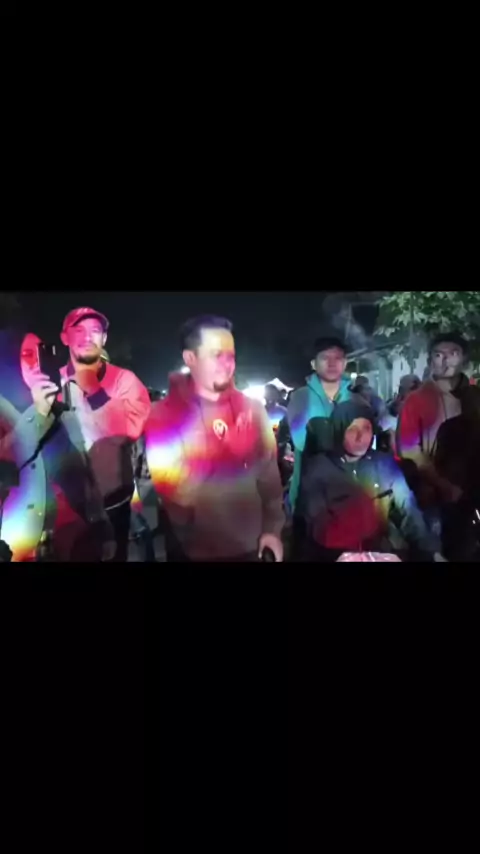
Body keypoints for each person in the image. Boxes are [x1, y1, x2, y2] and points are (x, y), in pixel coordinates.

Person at [145, 315, 284, 562]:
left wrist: (272, 529)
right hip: (192, 550)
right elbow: (174, 495)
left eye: (231, 355)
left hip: (251, 547)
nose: (226, 364)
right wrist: (222, 453)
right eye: (216, 355)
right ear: (191, 358)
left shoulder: (252, 409)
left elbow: (270, 478)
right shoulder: (163, 415)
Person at [23, 308, 151, 561]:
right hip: (69, 508)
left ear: (104, 338)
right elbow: (29, 447)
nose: (87, 337)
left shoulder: (125, 380)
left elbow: (130, 430)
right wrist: (39, 410)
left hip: (115, 503)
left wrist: (94, 391)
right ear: (64, 337)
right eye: (78, 330)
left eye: (95, 331)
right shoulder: (49, 383)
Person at [296, 400, 445, 562]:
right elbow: (317, 525)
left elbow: (407, 509)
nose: (360, 437)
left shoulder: (383, 465)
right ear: (339, 430)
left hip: (378, 553)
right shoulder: (318, 469)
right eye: (352, 429)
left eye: (366, 428)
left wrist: (430, 552)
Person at [397, 332, 478, 515]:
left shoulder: (475, 397)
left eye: (453, 353)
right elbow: (410, 450)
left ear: (465, 360)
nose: (445, 360)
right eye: (438, 355)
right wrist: (442, 485)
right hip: (433, 493)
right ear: (430, 361)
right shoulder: (416, 400)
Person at [286, 337, 356, 516]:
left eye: (337, 358)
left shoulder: (357, 400)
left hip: (350, 493)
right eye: (325, 358)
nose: (332, 363)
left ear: (345, 363)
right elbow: (302, 440)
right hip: (310, 493)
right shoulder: (301, 398)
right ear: (313, 364)